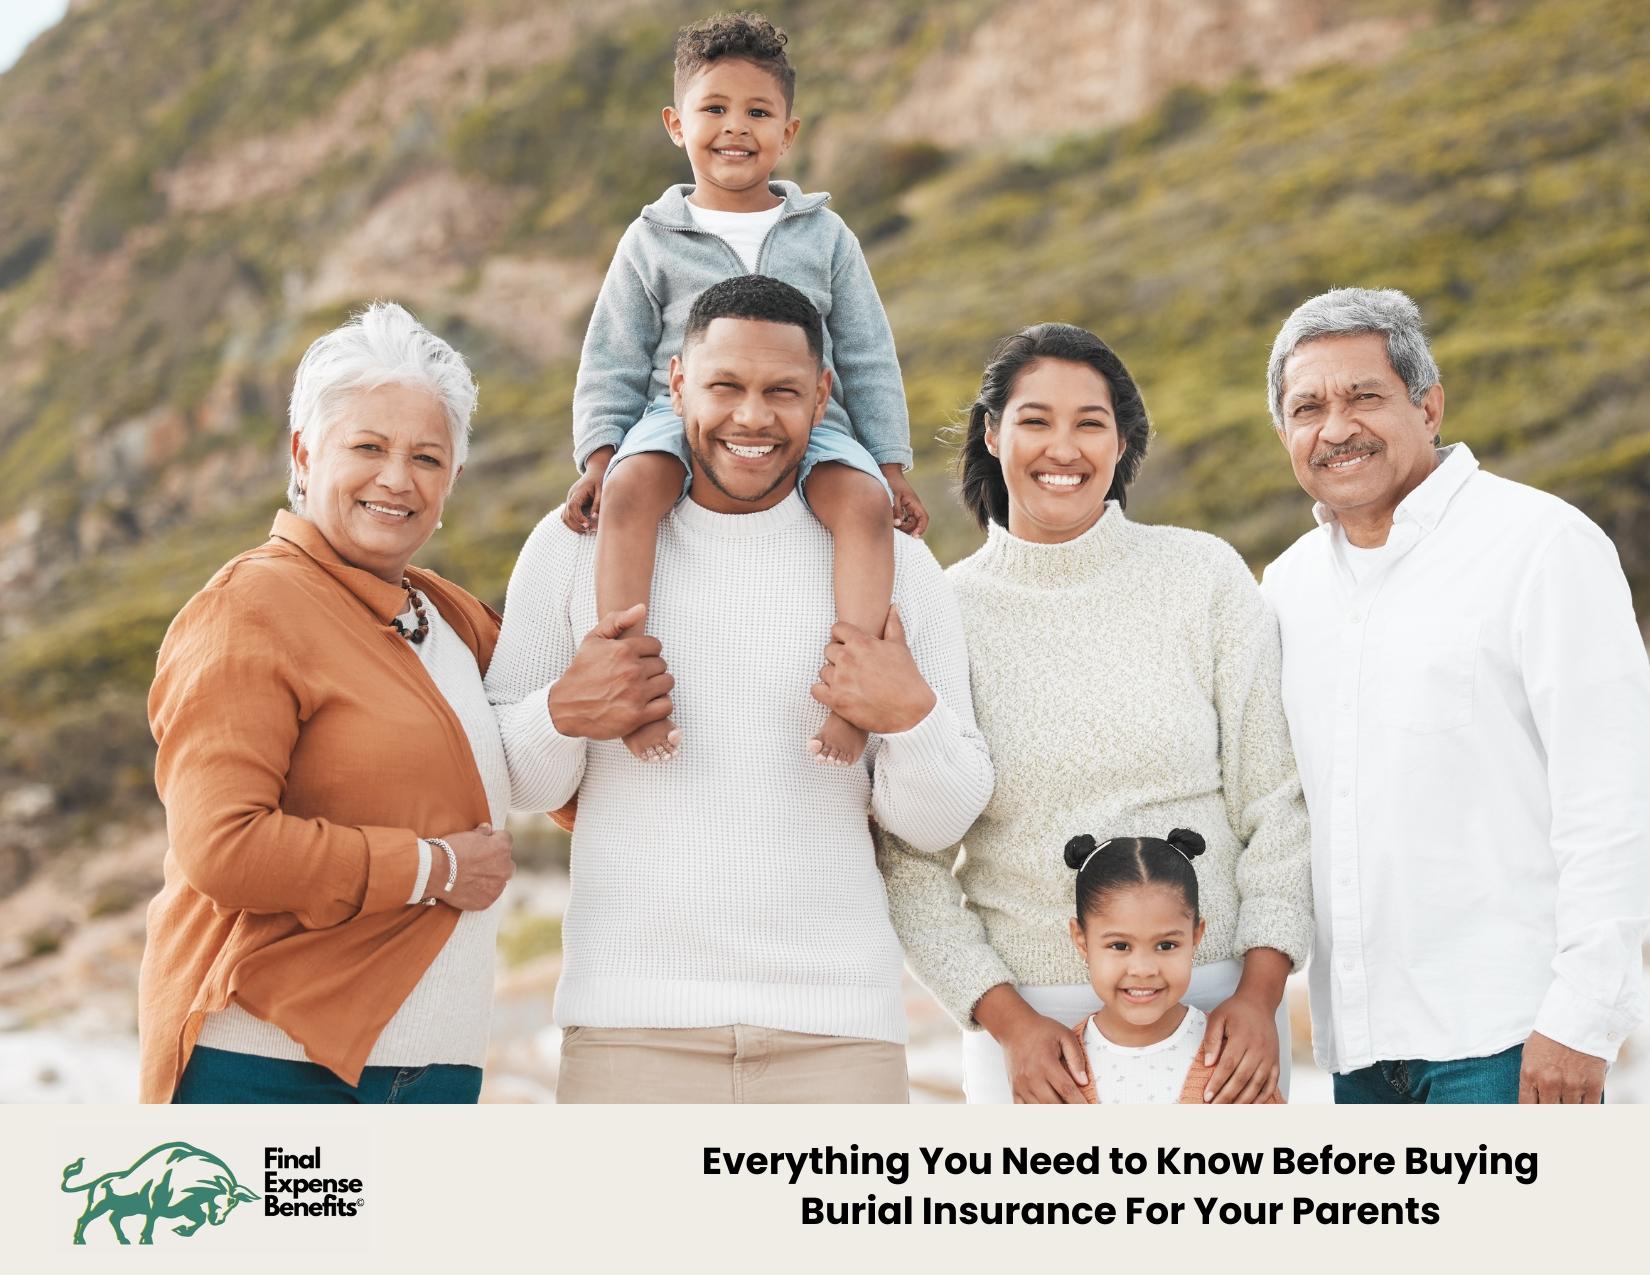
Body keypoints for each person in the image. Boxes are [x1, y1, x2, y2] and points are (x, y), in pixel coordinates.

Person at [487, 275, 992, 1103]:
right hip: (628, 1025)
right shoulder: (574, 545)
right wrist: (563, 709)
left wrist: (912, 717)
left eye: (782, 392)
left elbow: (936, 819)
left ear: (823, 395)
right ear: (677, 380)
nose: (752, 418)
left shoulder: (893, 563)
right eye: (725, 386)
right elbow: (524, 780)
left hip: (839, 1033)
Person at [880, 323, 1312, 1104]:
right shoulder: (943, 610)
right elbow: (909, 859)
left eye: (1090, 423)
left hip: (1219, 1012)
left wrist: (1260, 992)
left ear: (1121, 444)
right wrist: (1005, 1020)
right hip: (1034, 1034)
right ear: (992, 433)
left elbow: (1279, 801)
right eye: (1036, 420)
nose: (1063, 448)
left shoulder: (1201, 575)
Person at [1260, 286, 1650, 1104]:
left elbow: (1615, 798)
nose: (1336, 428)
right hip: (1357, 1049)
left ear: (1428, 405)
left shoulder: (1542, 546)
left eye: (1364, 396)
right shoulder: (1288, 587)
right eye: (1308, 408)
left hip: (1512, 1038)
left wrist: (1582, 1019)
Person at [139, 302, 516, 1104]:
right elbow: (225, 848)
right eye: (369, 446)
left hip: (437, 1070)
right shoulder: (250, 608)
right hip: (267, 1064)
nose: (396, 478)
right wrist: (431, 866)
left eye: (426, 456)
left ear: (451, 480)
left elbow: (548, 753)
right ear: (305, 453)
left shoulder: (449, 616)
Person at [561, 11, 927, 768]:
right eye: (714, 110)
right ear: (675, 123)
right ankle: (631, 685)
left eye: (757, 112)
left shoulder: (824, 236)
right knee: (632, 493)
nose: (736, 128)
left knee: (858, 507)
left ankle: (853, 697)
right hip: (677, 416)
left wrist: (888, 465)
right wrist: (599, 455)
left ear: (788, 132)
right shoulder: (650, 239)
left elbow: (866, 353)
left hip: (806, 422)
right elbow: (613, 356)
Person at [1061, 829, 1282, 1104]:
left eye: (1166, 945)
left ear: (1195, 936)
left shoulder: (1235, 1056)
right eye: (1120, 946)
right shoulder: (1059, 1068)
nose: (1143, 969)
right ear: (1081, 940)